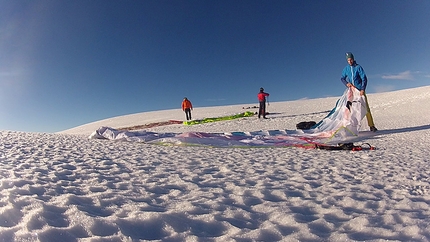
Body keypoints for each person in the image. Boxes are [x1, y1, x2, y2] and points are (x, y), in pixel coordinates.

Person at [341, 52, 378, 132]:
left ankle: (371, 126)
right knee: (349, 108)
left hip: (360, 91)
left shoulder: (358, 67)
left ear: (353, 59)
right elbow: (342, 78)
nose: (350, 61)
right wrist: (347, 83)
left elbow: (364, 78)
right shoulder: (346, 69)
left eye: (351, 59)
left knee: (366, 108)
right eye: (348, 60)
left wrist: (362, 89)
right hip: (352, 91)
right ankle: (347, 126)